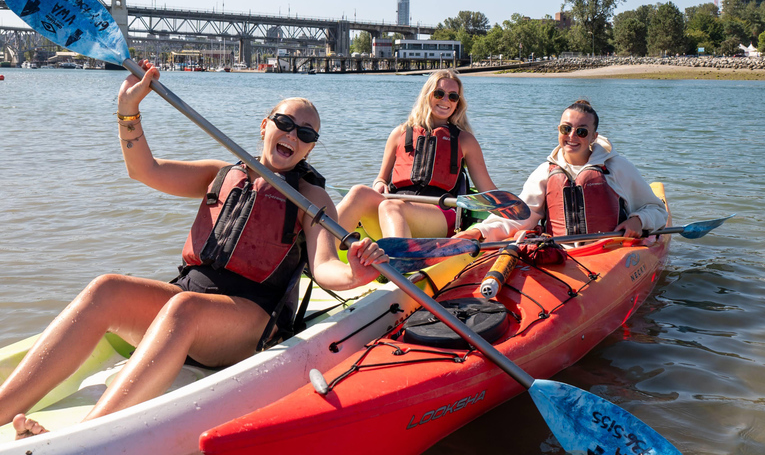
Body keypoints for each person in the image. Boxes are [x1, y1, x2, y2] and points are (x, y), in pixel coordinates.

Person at [2, 61, 388, 439]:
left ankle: (85, 436)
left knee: (183, 309)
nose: (293, 135)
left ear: (309, 148)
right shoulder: (221, 174)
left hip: (249, 320)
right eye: (285, 123)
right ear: (265, 126)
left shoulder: (310, 197)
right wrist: (128, 110)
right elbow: (144, 170)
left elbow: (323, 267)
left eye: (306, 133)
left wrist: (355, 274)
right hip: (189, 299)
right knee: (107, 289)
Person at [456, 99, 667, 243]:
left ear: (594, 137)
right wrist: (478, 232)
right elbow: (519, 216)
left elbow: (657, 211)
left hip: (610, 250)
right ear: (559, 130)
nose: (572, 136)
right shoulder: (545, 172)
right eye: (566, 129)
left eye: (582, 131)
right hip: (559, 251)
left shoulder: (616, 167)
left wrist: (638, 221)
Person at [337, 69, 498, 240]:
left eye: (453, 96)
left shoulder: (465, 141)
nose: (446, 100)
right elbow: (381, 178)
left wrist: (519, 215)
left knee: (391, 207)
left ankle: (399, 263)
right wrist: (379, 183)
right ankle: (320, 252)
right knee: (358, 192)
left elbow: (487, 191)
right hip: (395, 207)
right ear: (427, 95)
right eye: (439, 93)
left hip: (439, 213)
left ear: (458, 103)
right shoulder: (399, 133)